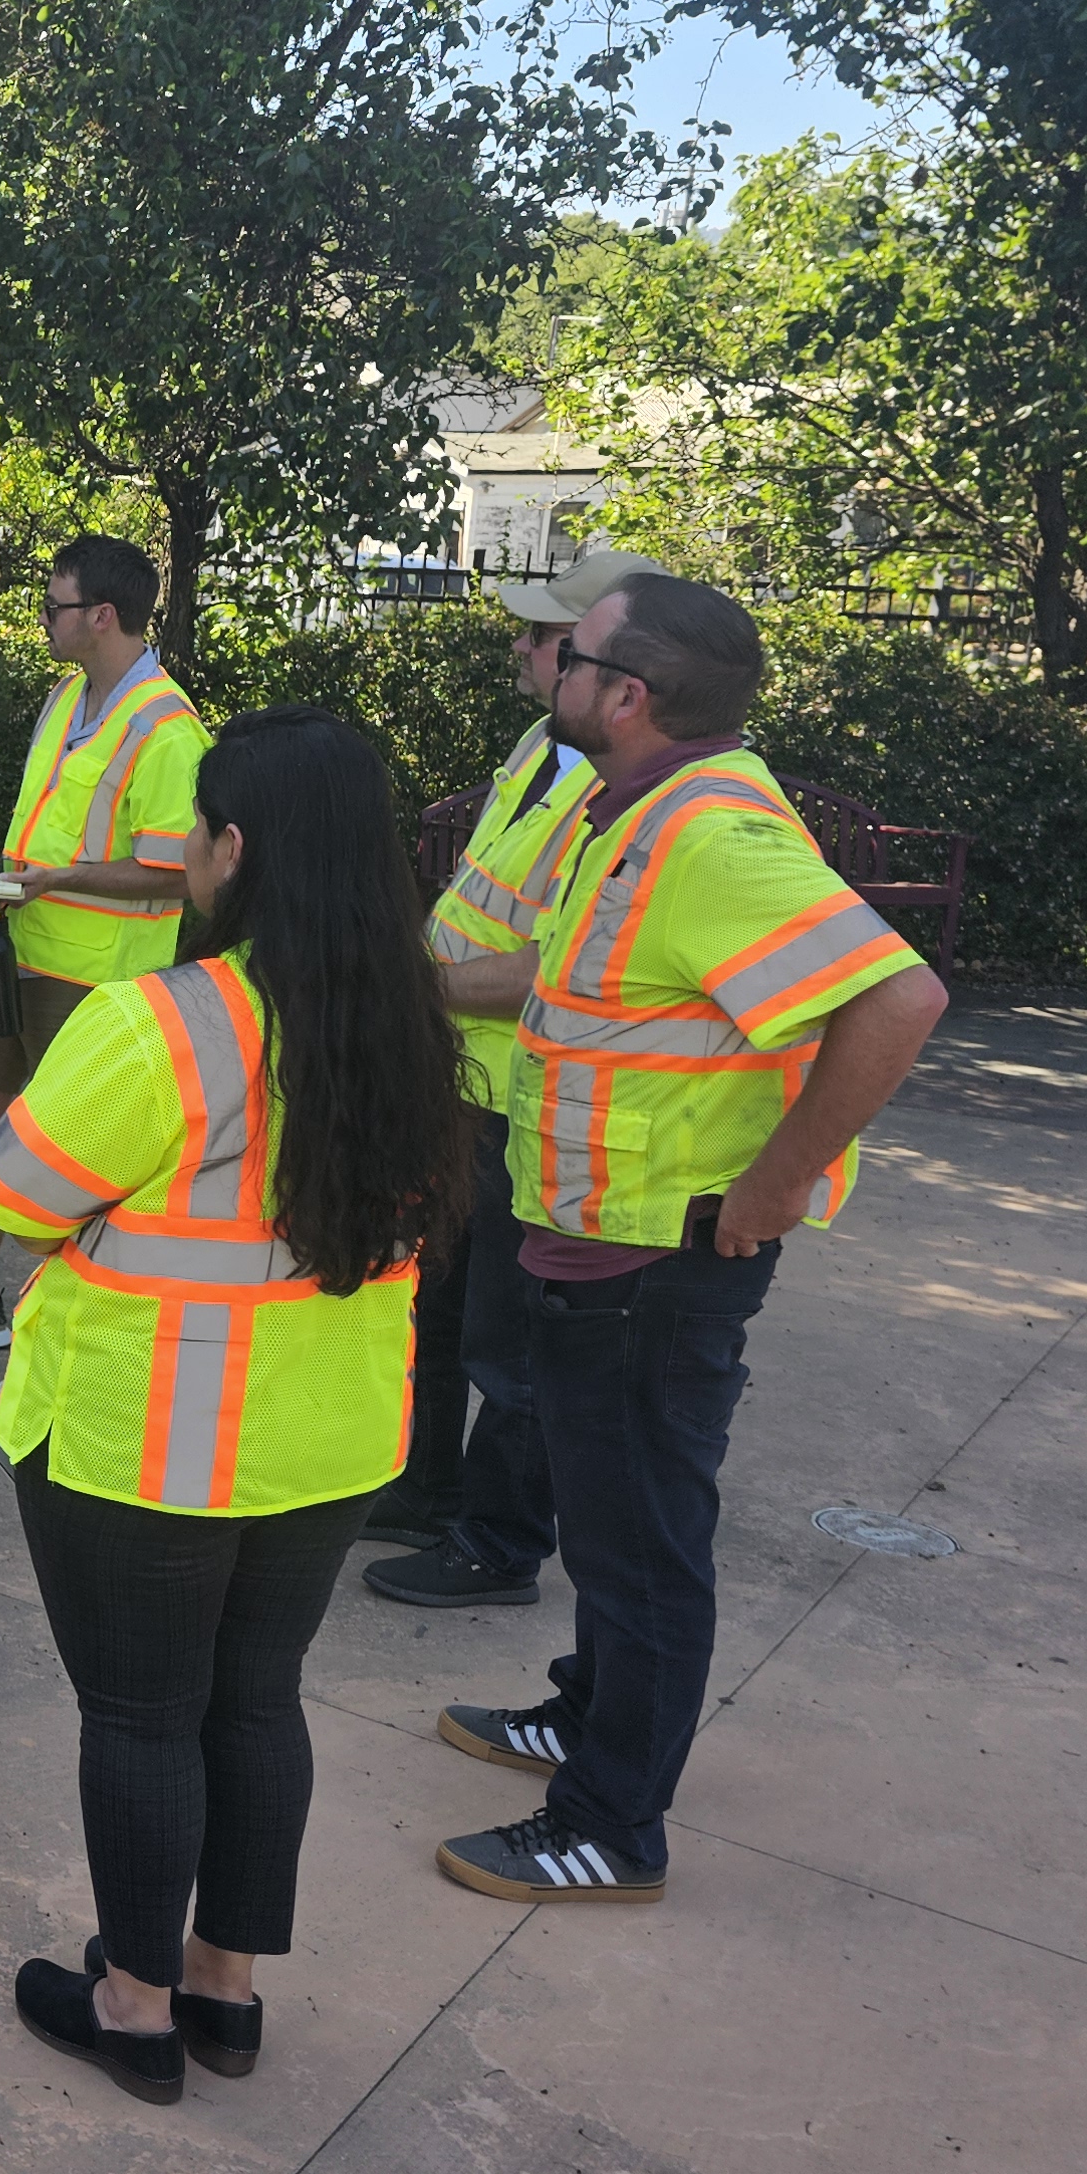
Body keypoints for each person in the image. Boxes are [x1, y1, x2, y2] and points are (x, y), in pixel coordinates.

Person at [0, 706, 470, 2105]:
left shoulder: (166, 1025)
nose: (187, 850)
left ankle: (131, 2007)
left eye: (196, 829)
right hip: (331, 1437)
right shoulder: (409, 1022)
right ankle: (223, 1989)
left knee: (140, 1715)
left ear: (235, 846)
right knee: (256, 1702)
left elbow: (4, 1194)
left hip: (149, 1443)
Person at [426, 575, 944, 1904]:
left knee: (644, 1543)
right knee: (610, 1524)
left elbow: (898, 999)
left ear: (630, 694)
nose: (556, 671)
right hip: (598, 1241)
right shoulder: (633, 810)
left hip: (663, 1262)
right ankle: (583, 1715)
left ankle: (612, 1825)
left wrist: (775, 1187)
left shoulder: (713, 833)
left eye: (576, 656)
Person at [357, 545, 650, 1607]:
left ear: (608, 667)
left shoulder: (618, 799)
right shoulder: (543, 747)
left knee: (507, 1339)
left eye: (542, 637)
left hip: (525, 1100)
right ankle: (428, 1487)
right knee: (431, 1305)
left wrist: (403, 992)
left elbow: (546, 971)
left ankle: (499, 1541)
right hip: (464, 1085)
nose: (521, 649)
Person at [0, 533, 204, 1349]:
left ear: (101, 615)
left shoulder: (169, 729)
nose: (44, 619)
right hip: (10, 950)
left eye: (54, 606)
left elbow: (176, 874)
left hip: (96, 983)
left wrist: (60, 882)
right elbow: (34, 841)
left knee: (79, 1157)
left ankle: (80, 1319)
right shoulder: (65, 696)